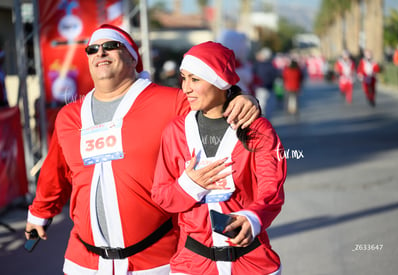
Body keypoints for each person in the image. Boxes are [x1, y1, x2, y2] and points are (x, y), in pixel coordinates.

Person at [24, 24, 260, 275]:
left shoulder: (172, 101)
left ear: (132, 57)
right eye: (92, 49)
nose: (100, 53)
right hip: (83, 262)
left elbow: (214, 108)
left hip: (157, 260)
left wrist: (242, 98)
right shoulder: (69, 116)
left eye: (110, 46)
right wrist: (39, 213)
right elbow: (55, 169)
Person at [151, 41, 286, 275]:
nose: (186, 88)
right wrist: (189, 185)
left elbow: (271, 190)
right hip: (192, 264)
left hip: (252, 262)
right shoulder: (175, 131)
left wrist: (252, 217)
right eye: (184, 78)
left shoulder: (256, 129)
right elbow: (162, 196)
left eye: (196, 79)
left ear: (219, 82)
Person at [253, 47, 278, 119]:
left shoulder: (258, 65)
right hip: (265, 88)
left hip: (263, 88)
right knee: (265, 108)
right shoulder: (271, 65)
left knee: (263, 108)